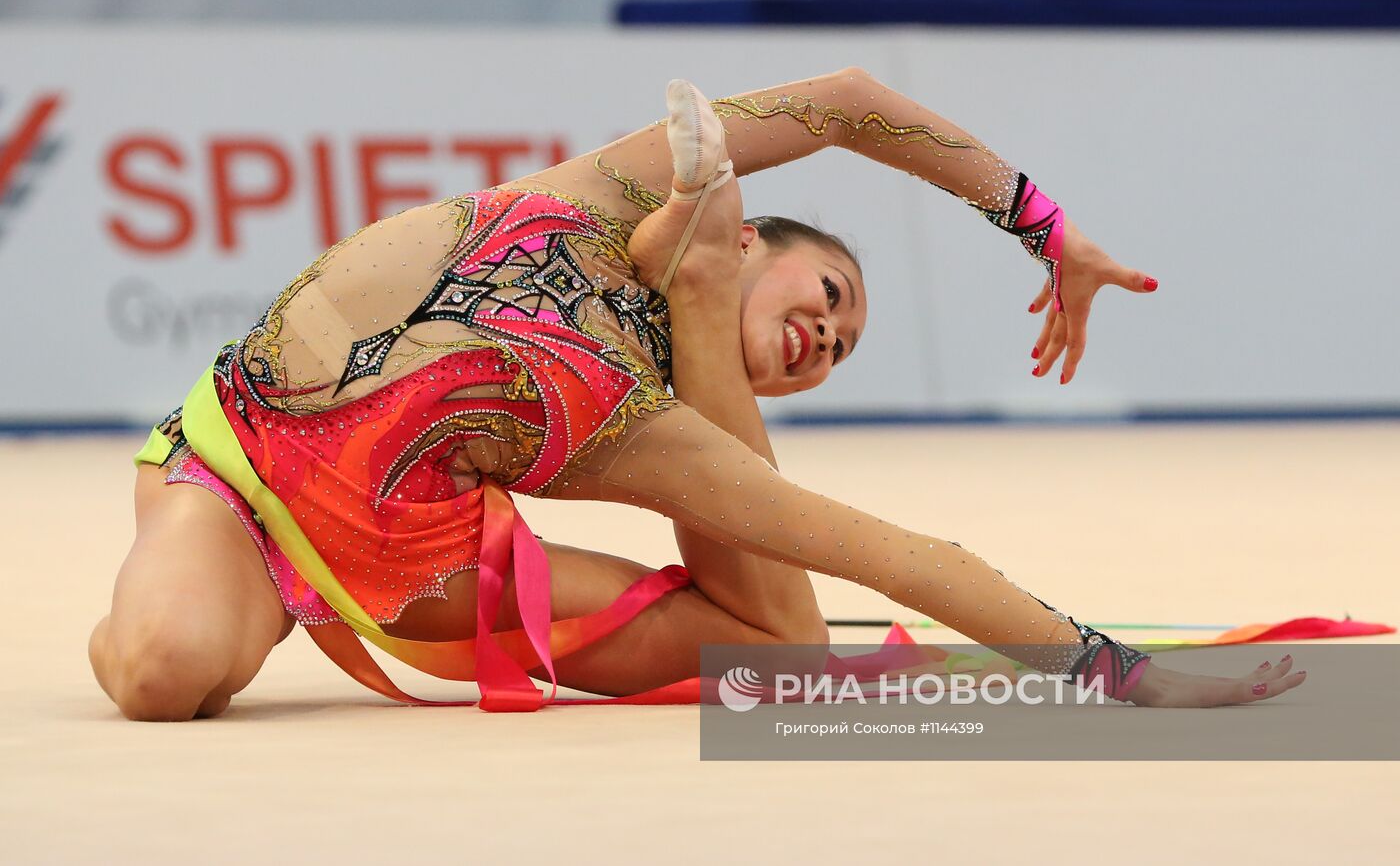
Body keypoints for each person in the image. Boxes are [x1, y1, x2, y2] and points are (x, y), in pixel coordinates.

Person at [89, 69, 1304, 720]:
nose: (825, 335)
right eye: (825, 292)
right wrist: (1044, 229)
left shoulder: (643, 433)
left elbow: (900, 554)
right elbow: (854, 103)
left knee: (776, 655)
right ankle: (699, 251)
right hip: (239, 472)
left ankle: (699, 273)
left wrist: (1135, 679)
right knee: (163, 671)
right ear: (770, 236)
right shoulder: (591, 194)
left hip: (418, 559)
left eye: (834, 351)